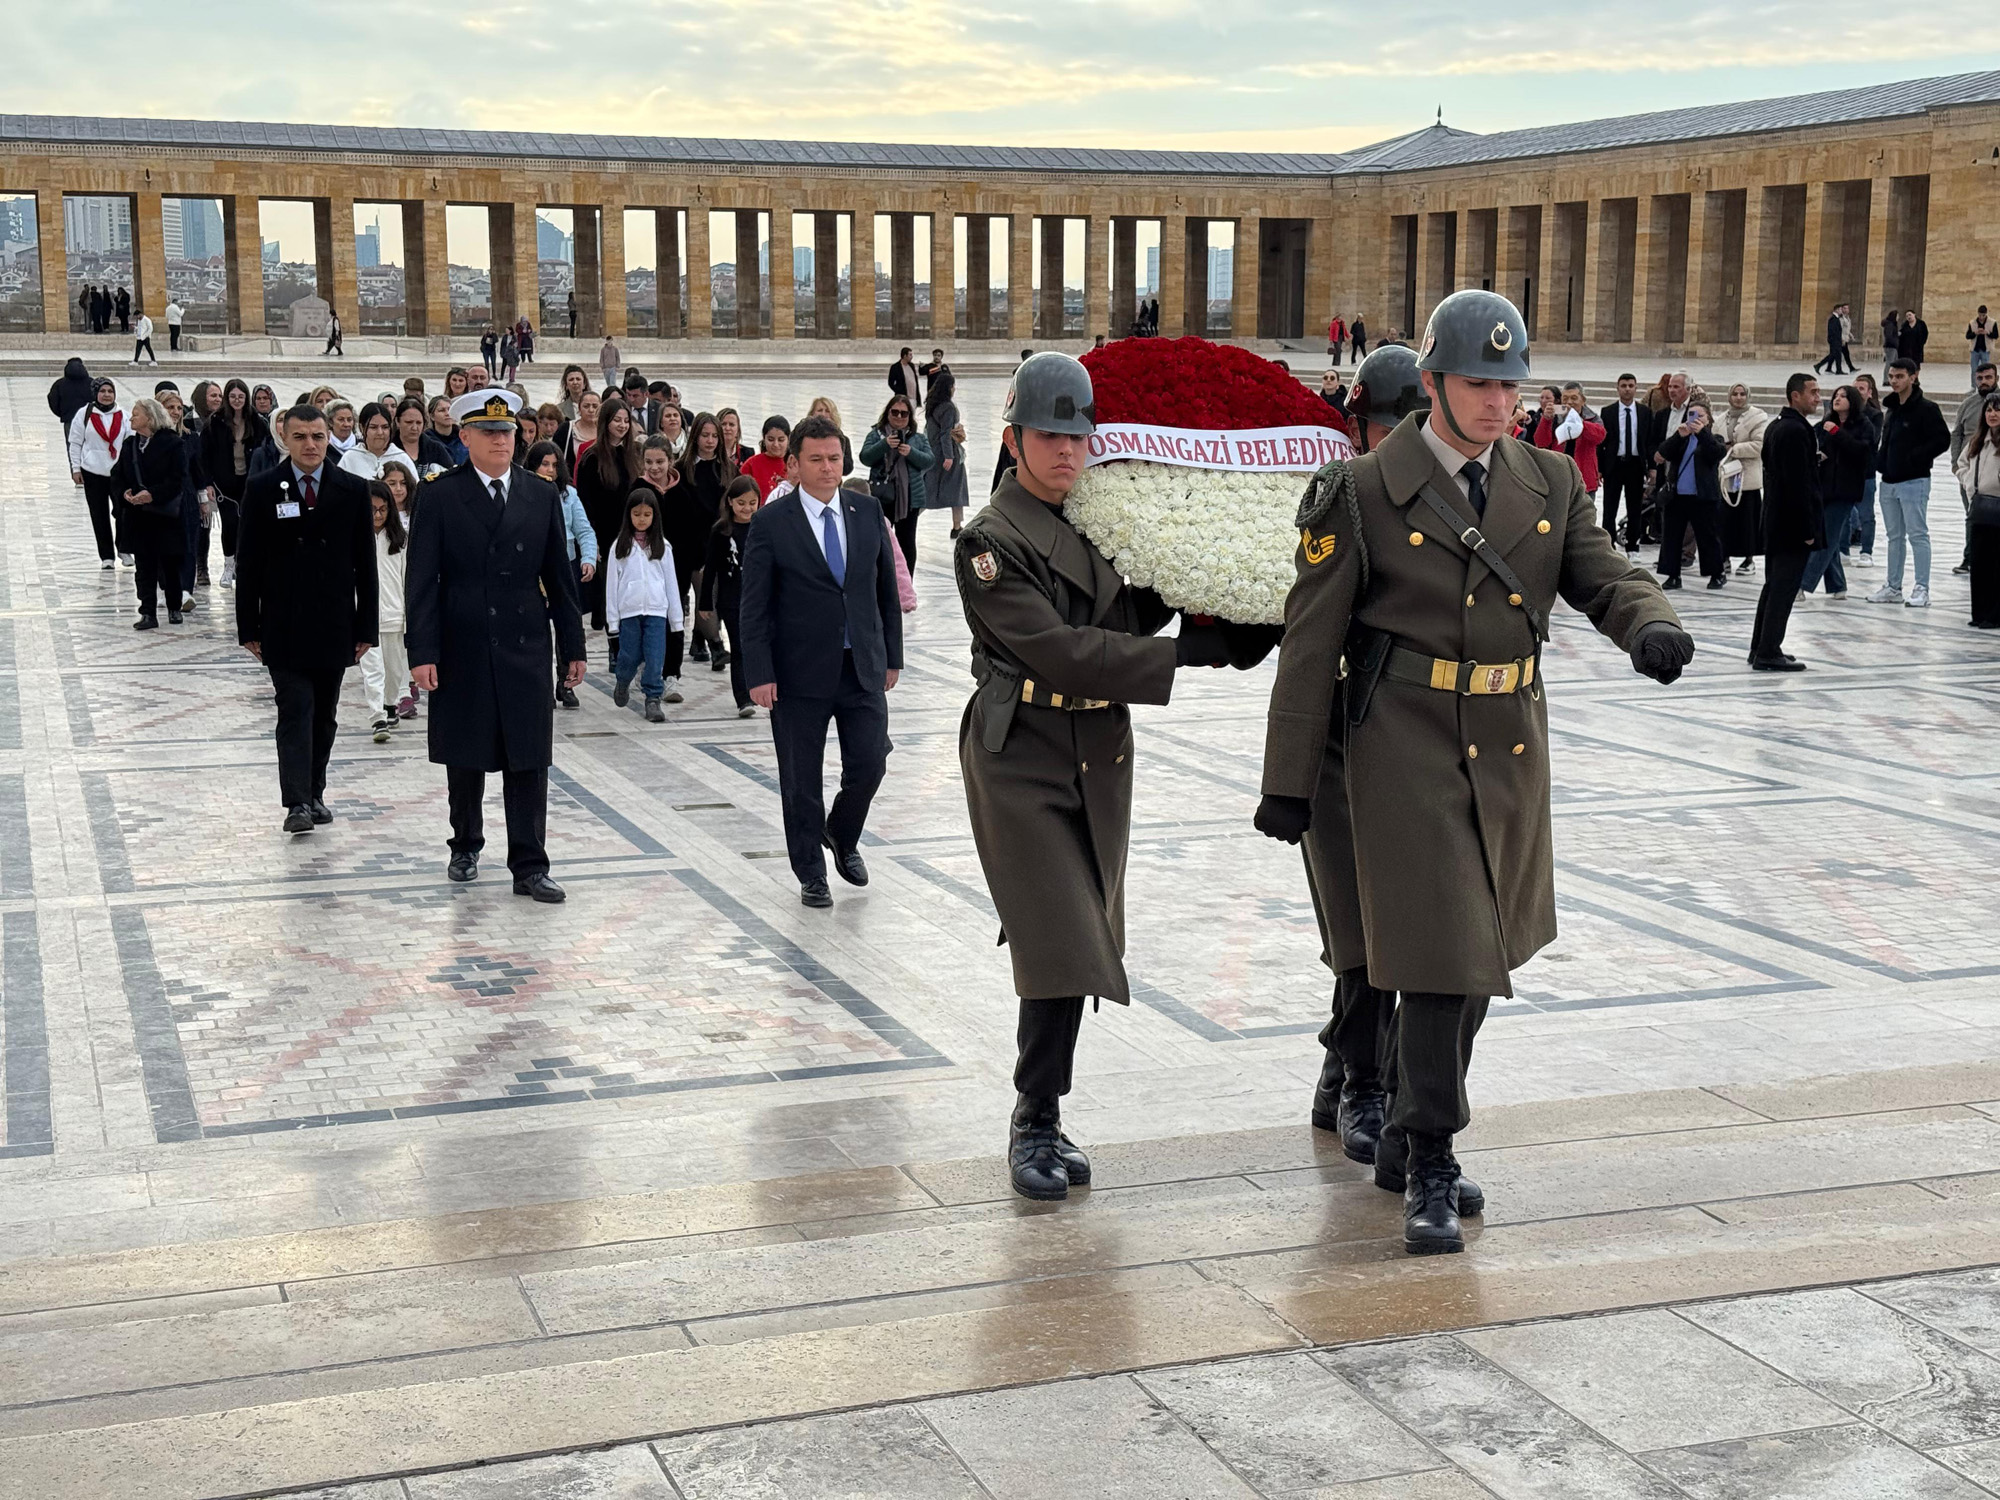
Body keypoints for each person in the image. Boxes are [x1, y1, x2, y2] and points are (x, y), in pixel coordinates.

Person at [1255, 288, 1691, 1254]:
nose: (1500, 402)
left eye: (1510, 383)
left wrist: (1647, 622)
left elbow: (1601, 568)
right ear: (1438, 384)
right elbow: (1308, 636)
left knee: (1483, 956)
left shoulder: (1547, 479)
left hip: (1509, 739)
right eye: (1480, 383)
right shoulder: (1364, 489)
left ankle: (1412, 1133)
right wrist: (1287, 777)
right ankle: (1432, 1156)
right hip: (1401, 741)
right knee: (1444, 954)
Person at [952, 353, 1237, 1201]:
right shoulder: (989, 542)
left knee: (1081, 940)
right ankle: (1033, 1118)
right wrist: (1183, 656)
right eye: (1049, 436)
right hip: (1022, 756)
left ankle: (1047, 1112)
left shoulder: (1095, 520)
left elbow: (1128, 608)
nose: (1067, 452)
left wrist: (1213, 598)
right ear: (1013, 439)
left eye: (1078, 437)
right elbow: (1060, 648)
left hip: (1095, 752)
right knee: (1060, 939)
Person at [1296, 342, 1427, 1166]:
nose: (1395, 439)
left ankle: (1342, 1070)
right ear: (1357, 428)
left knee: (1402, 927)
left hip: (1412, 744)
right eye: (1384, 425)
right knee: (1356, 928)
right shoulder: (1340, 496)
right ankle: (1364, 1086)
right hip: (1340, 740)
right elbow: (1309, 639)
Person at [406, 389, 587, 902]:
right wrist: (422, 651)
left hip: (524, 638)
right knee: (466, 754)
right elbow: (422, 580)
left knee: (528, 755)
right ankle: (465, 843)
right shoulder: (440, 495)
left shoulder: (540, 493)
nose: (501, 440)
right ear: (465, 437)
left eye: (507, 432)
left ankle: (530, 864)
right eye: (488, 432)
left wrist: (571, 646)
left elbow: (560, 578)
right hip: (462, 641)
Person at [738, 414, 903, 910]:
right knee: (801, 779)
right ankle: (810, 869)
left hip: (862, 667)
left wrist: (892, 654)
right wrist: (759, 673)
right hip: (798, 673)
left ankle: (842, 833)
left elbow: (885, 592)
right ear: (794, 465)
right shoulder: (771, 523)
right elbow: (754, 606)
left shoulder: (866, 511)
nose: (828, 467)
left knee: (872, 759)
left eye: (834, 458)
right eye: (817, 459)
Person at [234, 404, 378, 834]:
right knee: (294, 708)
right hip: (283, 623)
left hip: (334, 623)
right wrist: (248, 627)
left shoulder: (352, 489)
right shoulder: (263, 488)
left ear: (329, 436)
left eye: (317, 436)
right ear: (286, 439)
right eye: (300, 437)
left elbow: (365, 565)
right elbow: (249, 562)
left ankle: (315, 790)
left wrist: (366, 626)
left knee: (325, 713)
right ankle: (296, 802)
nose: (310, 445)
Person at [1748, 374, 1825, 671]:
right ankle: (1768, 651)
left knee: (1774, 586)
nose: (1818, 397)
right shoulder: (1794, 430)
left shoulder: (1779, 425)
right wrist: (1808, 531)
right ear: (1796, 396)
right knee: (1783, 588)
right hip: (1792, 525)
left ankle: (1761, 646)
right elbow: (1797, 485)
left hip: (1776, 521)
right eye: (1813, 392)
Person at [1869, 357, 1950, 608]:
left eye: (1900, 376)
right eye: (1892, 376)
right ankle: (1893, 586)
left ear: (1913, 377)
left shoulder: (1927, 408)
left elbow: (1942, 440)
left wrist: (1915, 457)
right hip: (1889, 481)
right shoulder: (1891, 409)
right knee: (1894, 536)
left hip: (1914, 481)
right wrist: (1881, 463)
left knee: (1917, 534)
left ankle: (1922, 588)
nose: (1894, 381)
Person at [523, 443, 597, 710]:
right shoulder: (522, 492)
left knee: (568, 626)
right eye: (544, 464)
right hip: (533, 570)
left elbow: (585, 532)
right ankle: (540, 682)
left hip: (564, 568)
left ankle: (566, 683)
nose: (550, 470)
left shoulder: (569, 495)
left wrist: (588, 559)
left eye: (555, 465)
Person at [605, 488, 683, 722]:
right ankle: (623, 679)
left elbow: (671, 583)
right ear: (628, 515)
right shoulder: (620, 547)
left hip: (657, 613)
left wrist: (676, 620)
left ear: (654, 516)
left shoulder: (663, 547)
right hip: (629, 612)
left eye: (646, 514)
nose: (641, 519)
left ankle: (652, 698)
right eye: (636, 514)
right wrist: (612, 621)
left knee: (654, 655)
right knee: (630, 654)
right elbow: (611, 584)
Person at [112, 397, 186, 627]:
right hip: (139, 515)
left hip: (165, 515)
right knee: (144, 566)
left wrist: (153, 494)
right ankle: (147, 612)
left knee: (170, 564)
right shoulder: (129, 445)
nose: (131, 418)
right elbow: (117, 474)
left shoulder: (173, 443)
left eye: (136, 414)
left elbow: (178, 479)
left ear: (150, 418)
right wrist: (125, 492)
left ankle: (174, 607)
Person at [576, 394, 640, 647]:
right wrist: (593, 544)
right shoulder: (592, 457)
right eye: (617, 420)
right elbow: (586, 502)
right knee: (608, 597)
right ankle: (615, 648)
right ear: (606, 423)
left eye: (626, 421)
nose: (622, 426)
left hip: (629, 533)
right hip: (603, 534)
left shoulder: (632, 454)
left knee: (628, 595)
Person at [1802, 383, 1874, 603]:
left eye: (1843, 396)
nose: (1838, 399)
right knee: (1827, 537)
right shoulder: (1824, 424)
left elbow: (1862, 451)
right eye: (1836, 395)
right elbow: (1814, 446)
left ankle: (1803, 584)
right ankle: (1838, 585)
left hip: (1845, 490)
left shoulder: (1863, 424)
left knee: (1827, 538)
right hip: (1824, 488)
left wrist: (1837, 433)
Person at [700, 477, 761, 717]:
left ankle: (761, 688)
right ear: (730, 502)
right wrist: (705, 602)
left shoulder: (762, 526)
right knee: (739, 647)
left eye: (752, 503)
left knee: (758, 646)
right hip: (731, 599)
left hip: (758, 599)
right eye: (741, 502)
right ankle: (743, 698)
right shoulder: (721, 531)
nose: (747, 508)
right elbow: (711, 568)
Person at [1656, 398, 1727, 590]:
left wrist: (1702, 433)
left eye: (1699, 416)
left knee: (1708, 537)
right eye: (1691, 415)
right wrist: (1678, 436)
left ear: (1708, 419)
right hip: (1677, 496)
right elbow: (1663, 453)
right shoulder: (1682, 437)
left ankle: (1716, 573)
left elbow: (1716, 453)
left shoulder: (1713, 438)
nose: (1694, 419)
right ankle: (1672, 574)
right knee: (1672, 536)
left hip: (1702, 497)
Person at [862, 392, 936, 572]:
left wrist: (911, 452)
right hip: (883, 496)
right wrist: (884, 445)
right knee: (881, 540)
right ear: (887, 413)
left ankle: (906, 583)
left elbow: (929, 460)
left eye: (904, 413)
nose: (899, 417)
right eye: (895, 412)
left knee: (907, 542)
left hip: (909, 499)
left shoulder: (918, 438)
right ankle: (882, 581)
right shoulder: (877, 435)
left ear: (910, 417)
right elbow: (865, 457)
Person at [358, 481, 409, 743]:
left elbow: (406, 580)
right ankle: (377, 716)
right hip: (366, 619)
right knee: (373, 669)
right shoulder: (354, 540)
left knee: (394, 669)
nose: (377, 515)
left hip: (395, 616)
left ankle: (391, 704)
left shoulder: (399, 541)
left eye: (382, 510)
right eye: (372, 510)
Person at [67, 376, 126, 569]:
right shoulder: (84, 414)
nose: (107, 395)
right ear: (96, 393)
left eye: (110, 391)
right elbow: (75, 443)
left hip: (118, 473)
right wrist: (76, 468)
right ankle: (106, 556)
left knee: (123, 512)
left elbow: (130, 442)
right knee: (99, 515)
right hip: (92, 471)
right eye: (103, 391)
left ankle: (123, 548)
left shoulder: (123, 414)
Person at [1715, 382, 1771, 575]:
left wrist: (1734, 449)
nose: (1738, 398)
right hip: (1727, 477)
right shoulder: (1721, 418)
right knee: (1725, 520)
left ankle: (1749, 558)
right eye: (1735, 394)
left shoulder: (1758, 417)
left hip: (1747, 478)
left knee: (1748, 520)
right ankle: (1725, 557)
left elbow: (1760, 445)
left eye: (1742, 394)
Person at [1950, 363, 1999, 576]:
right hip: (1972, 475)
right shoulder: (1968, 404)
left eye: (1988, 377)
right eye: (1980, 378)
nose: (1984, 382)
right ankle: (1971, 558)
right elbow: (1957, 433)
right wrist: (1960, 470)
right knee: (1973, 518)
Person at [1956, 393, 2000, 628]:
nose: (1992, 415)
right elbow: (1962, 464)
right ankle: (1980, 612)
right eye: (1989, 410)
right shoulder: (1977, 440)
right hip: (1980, 507)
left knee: (1996, 565)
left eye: (1997, 410)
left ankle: (1995, 614)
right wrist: (1969, 484)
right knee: (1980, 563)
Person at [1598, 372, 1652, 556]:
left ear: (1636, 388)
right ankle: (1608, 544)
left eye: (1631, 386)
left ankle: (1632, 545)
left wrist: (1651, 467)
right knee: (1609, 507)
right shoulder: (1608, 411)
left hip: (1635, 465)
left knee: (1635, 507)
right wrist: (1600, 468)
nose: (1627, 389)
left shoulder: (1645, 412)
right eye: (1624, 386)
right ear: (1618, 388)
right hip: (1614, 465)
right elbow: (1602, 442)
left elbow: (1649, 441)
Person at [1533, 382, 1604, 503]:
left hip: (1585, 479)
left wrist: (1579, 423)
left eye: (1574, 398)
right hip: (1559, 478)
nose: (1569, 402)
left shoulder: (1592, 417)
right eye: (1565, 398)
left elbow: (1599, 437)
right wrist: (1546, 420)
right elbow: (1541, 442)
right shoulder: (1556, 417)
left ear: (1583, 400)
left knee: (1585, 518)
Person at [924, 369, 969, 537]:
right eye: (953, 386)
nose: (954, 389)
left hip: (933, 449)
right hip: (948, 451)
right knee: (956, 487)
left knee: (930, 485)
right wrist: (949, 456)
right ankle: (956, 525)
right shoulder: (948, 408)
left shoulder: (933, 405)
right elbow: (945, 433)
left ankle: (957, 525)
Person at [742, 416, 791, 500]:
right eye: (771, 439)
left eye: (781, 440)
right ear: (764, 439)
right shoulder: (751, 464)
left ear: (788, 439)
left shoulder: (795, 463)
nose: (776, 444)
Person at [1813, 304, 1848, 374]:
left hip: (1836, 340)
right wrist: (1836, 340)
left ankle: (1837, 370)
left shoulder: (1836, 318)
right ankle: (1818, 365)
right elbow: (1833, 331)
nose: (1842, 311)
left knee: (1837, 355)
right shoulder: (1833, 319)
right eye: (1841, 309)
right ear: (1837, 310)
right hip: (1834, 340)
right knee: (1833, 354)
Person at [1970, 305, 1994, 381]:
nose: (1981, 317)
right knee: (1974, 370)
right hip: (1975, 350)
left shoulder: (1992, 322)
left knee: (1985, 371)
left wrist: (1987, 333)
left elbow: (1996, 335)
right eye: (1980, 315)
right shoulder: (1972, 323)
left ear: (1986, 314)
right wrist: (1975, 333)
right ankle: (1974, 387)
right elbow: (1968, 336)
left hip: (1985, 350)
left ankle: (1985, 386)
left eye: (1983, 315)